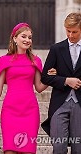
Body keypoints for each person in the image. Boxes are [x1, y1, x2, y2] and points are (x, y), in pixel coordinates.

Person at [0, 23, 56, 154]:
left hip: (30, 111)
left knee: (28, 151)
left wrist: (52, 77)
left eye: (30, 37)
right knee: (10, 150)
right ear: (14, 38)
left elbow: (39, 87)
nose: (27, 40)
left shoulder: (35, 61)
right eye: (23, 36)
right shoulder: (4, 60)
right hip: (10, 111)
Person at [41, 12, 81, 154]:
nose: (70, 35)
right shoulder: (56, 49)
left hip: (80, 104)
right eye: (68, 31)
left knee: (79, 149)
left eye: (74, 32)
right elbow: (44, 77)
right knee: (58, 147)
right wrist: (65, 80)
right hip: (59, 104)